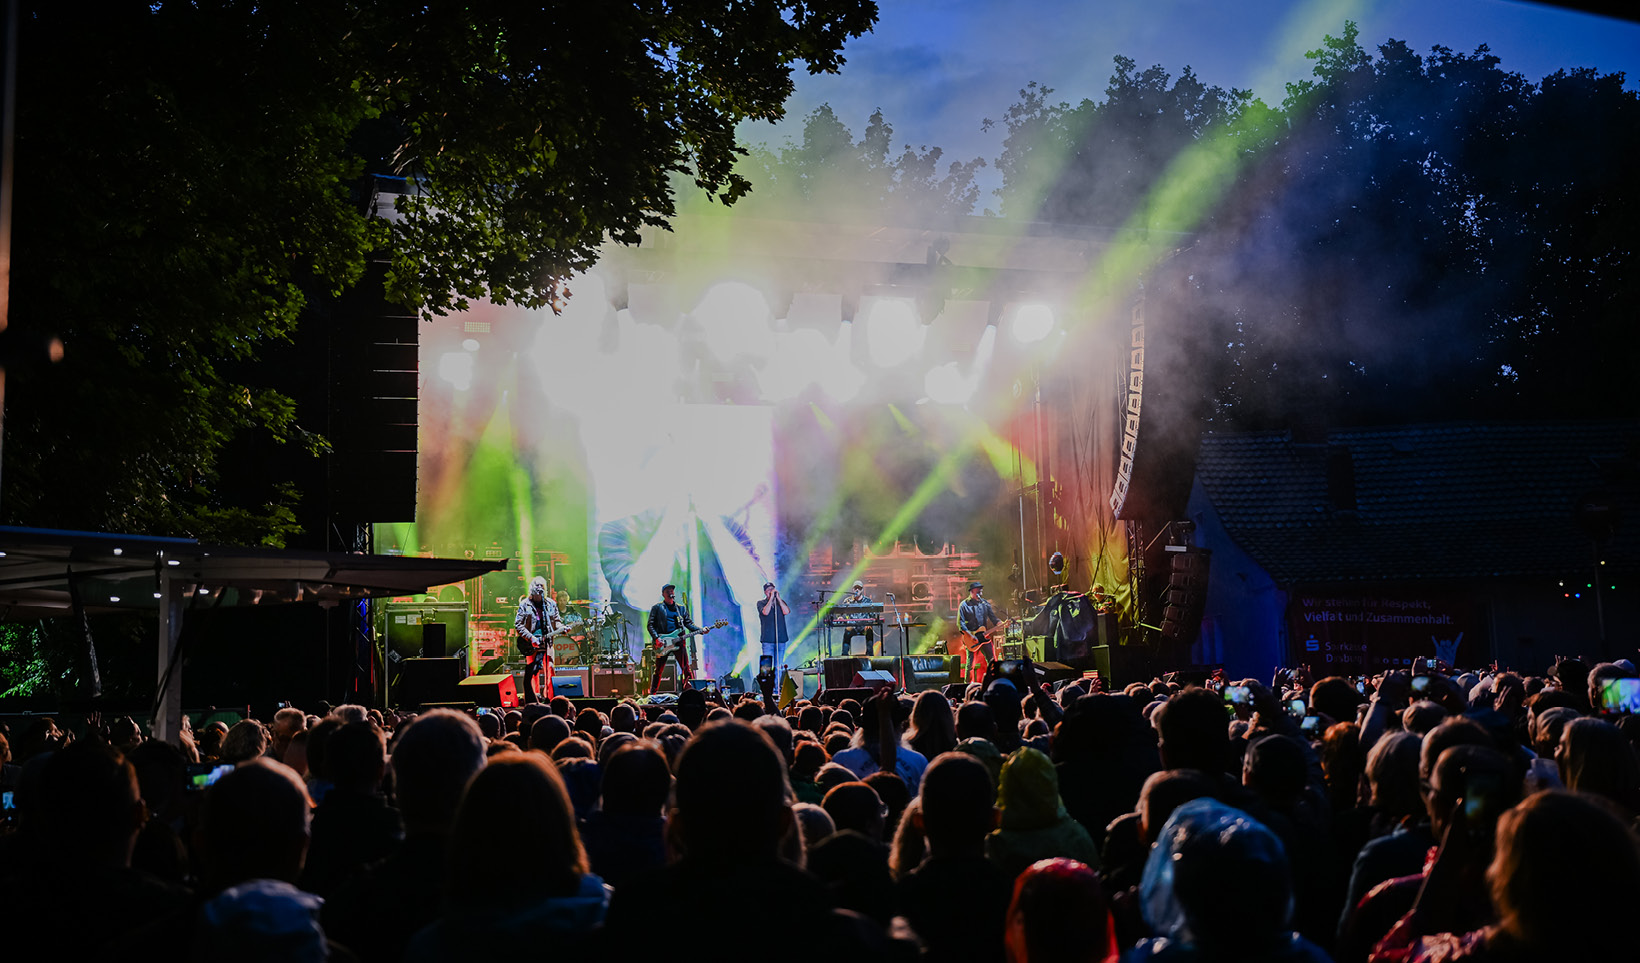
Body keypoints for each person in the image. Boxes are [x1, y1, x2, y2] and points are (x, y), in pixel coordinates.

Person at [515, 575, 563, 704]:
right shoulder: (525, 604)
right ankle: (534, 699)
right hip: (532, 643)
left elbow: (557, 621)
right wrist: (530, 637)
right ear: (532, 588)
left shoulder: (551, 604)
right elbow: (518, 625)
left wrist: (562, 628)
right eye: (537, 586)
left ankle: (550, 699)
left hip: (547, 642)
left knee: (550, 668)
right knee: (534, 672)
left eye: (542, 586)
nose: (539, 588)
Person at [647, 583, 700, 694]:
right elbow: (650, 625)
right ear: (663, 594)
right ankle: (652, 693)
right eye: (667, 591)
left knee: (686, 668)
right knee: (658, 670)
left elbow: (688, 623)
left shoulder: (680, 609)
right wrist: (656, 638)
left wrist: (700, 630)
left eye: (672, 590)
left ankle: (691, 693)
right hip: (663, 643)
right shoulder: (657, 608)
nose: (670, 592)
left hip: (679, 642)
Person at [958, 582, 1001, 683]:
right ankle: (966, 685)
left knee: (992, 661)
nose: (980, 593)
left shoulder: (985, 604)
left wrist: (999, 623)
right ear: (972, 591)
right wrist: (970, 636)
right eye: (978, 591)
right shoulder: (964, 605)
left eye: (981, 591)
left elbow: (993, 618)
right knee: (970, 664)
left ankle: (994, 682)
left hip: (984, 637)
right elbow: (960, 623)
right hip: (971, 638)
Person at [839, 579, 876, 655]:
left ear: (862, 590)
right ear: (852, 589)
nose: (857, 590)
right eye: (855, 588)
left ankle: (870, 654)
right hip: (852, 625)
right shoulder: (848, 601)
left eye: (859, 588)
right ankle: (844, 654)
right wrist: (841, 617)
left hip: (864, 625)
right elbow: (840, 613)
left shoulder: (868, 601)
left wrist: (869, 623)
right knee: (847, 631)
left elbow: (873, 615)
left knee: (869, 631)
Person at [758, 580, 789, 669]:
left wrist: (778, 598)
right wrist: (771, 598)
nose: (771, 591)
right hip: (767, 640)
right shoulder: (761, 603)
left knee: (778, 667)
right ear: (765, 592)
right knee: (766, 668)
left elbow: (786, 611)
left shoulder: (781, 602)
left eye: (772, 589)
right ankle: (767, 679)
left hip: (781, 639)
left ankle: (777, 679)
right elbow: (765, 612)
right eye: (768, 590)